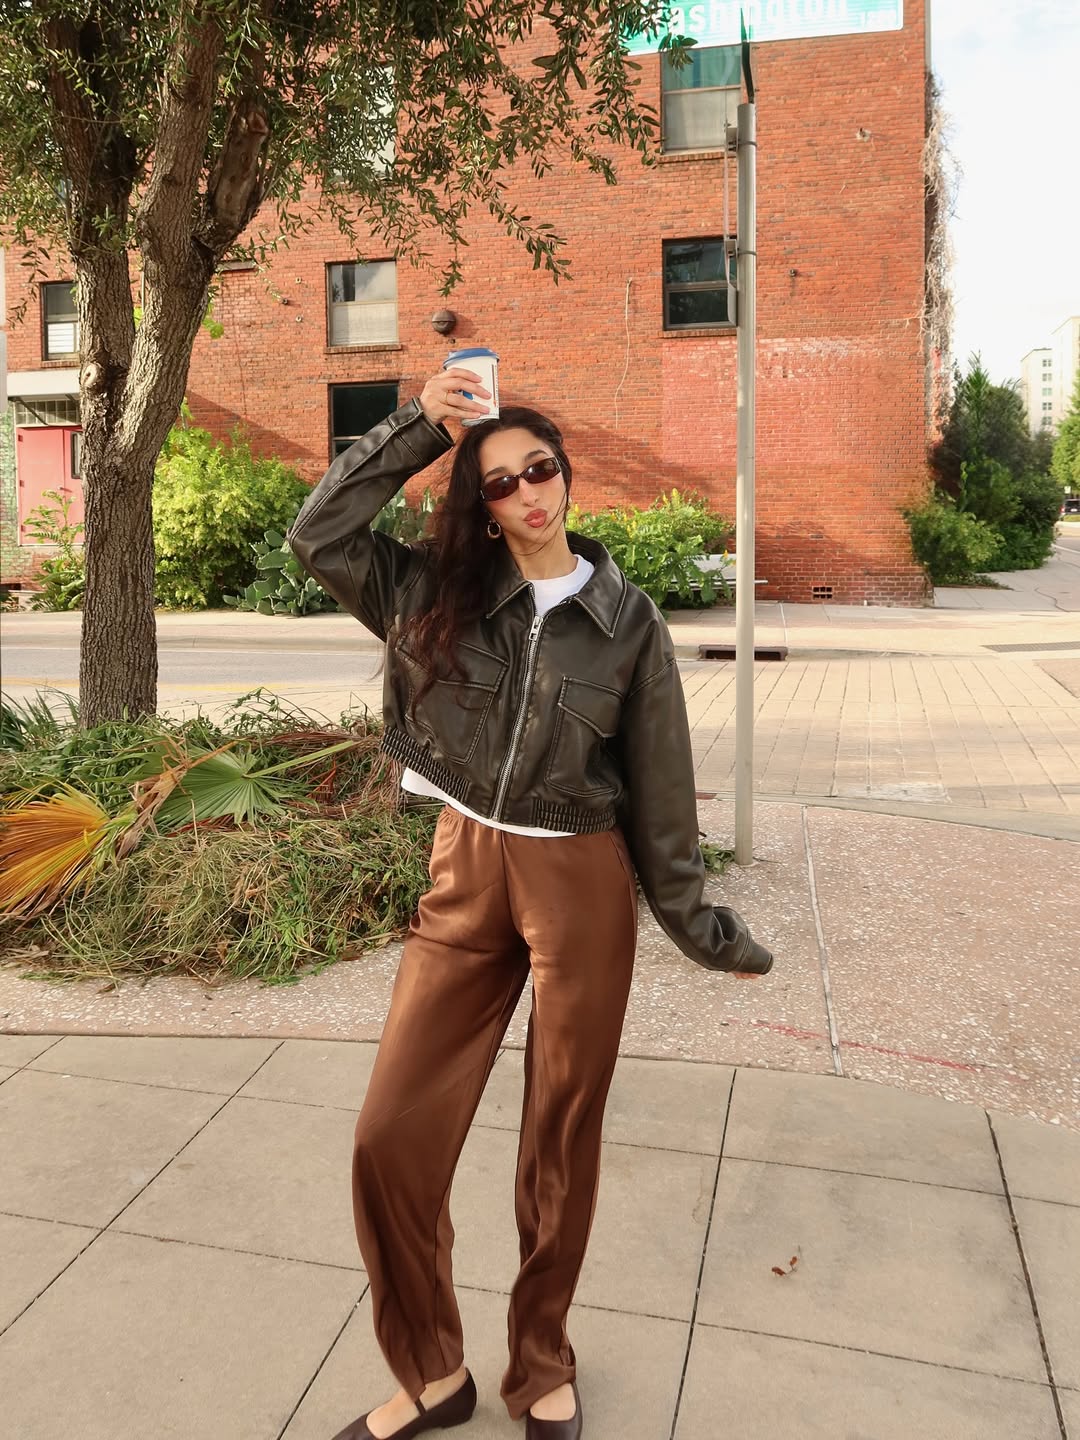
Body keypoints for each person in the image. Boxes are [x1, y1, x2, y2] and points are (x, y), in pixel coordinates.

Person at [288, 367, 774, 1440]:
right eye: (500, 483)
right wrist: (419, 427)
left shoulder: (627, 622)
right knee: (388, 1139)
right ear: (484, 505)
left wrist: (705, 930)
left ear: (567, 474)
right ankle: (433, 1374)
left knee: (559, 1140)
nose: (526, 494)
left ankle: (542, 1359)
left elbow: (660, 792)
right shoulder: (434, 593)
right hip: (464, 868)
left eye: (539, 470)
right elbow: (318, 534)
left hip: (578, 882)